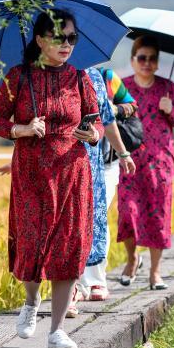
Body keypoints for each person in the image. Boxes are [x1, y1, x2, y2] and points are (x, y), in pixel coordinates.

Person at [0, 9, 102, 348]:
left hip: (72, 172)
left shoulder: (79, 78)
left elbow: (95, 122)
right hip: (32, 174)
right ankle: (31, 300)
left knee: (69, 245)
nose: (67, 45)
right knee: (32, 242)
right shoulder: (17, 77)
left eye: (72, 38)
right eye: (58, 38)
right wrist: (21, 129)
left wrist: (93, 134)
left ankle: (57, 329)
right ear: (39, 40)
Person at [118, 35, 174, 290]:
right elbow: (109, 119)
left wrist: (171, 110)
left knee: (159, 215)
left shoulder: (168, 88)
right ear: (132, 60)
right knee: (127, 212)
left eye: (152, 59)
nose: (146, 63)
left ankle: (155, 272)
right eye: (142, 58)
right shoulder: (122, 88)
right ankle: (132, 259)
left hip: (160, 164)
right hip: (129, 161)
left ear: (158, 62)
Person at [70, 67, 136, 314]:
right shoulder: (47, 75)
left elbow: (118, 113)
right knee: (71, 222)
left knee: (96, 217)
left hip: (102, 162)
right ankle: (74, 285)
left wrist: (123, 152)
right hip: (63, 163)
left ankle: (96, 279)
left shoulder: (102, 76)